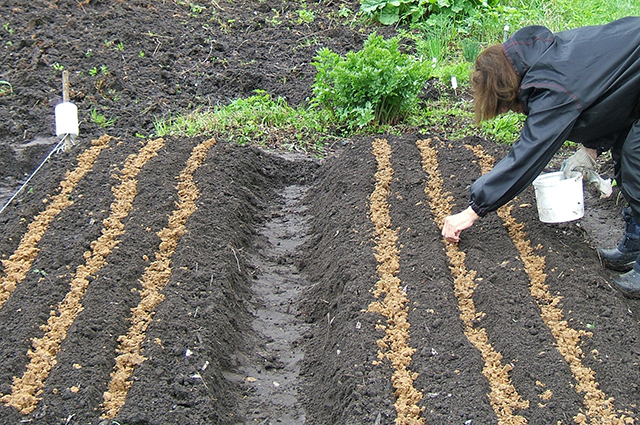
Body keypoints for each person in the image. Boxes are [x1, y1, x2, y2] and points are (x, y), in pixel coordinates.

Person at [441, 16, 640, 298]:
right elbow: (604, 95)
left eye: (506, 106)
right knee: (626, 153)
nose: (512, 110)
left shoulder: (551, 86)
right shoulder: (542, 58)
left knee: (637, 164)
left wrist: (473, 210)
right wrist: (591, 149)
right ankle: (635, 242)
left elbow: (529, 153)